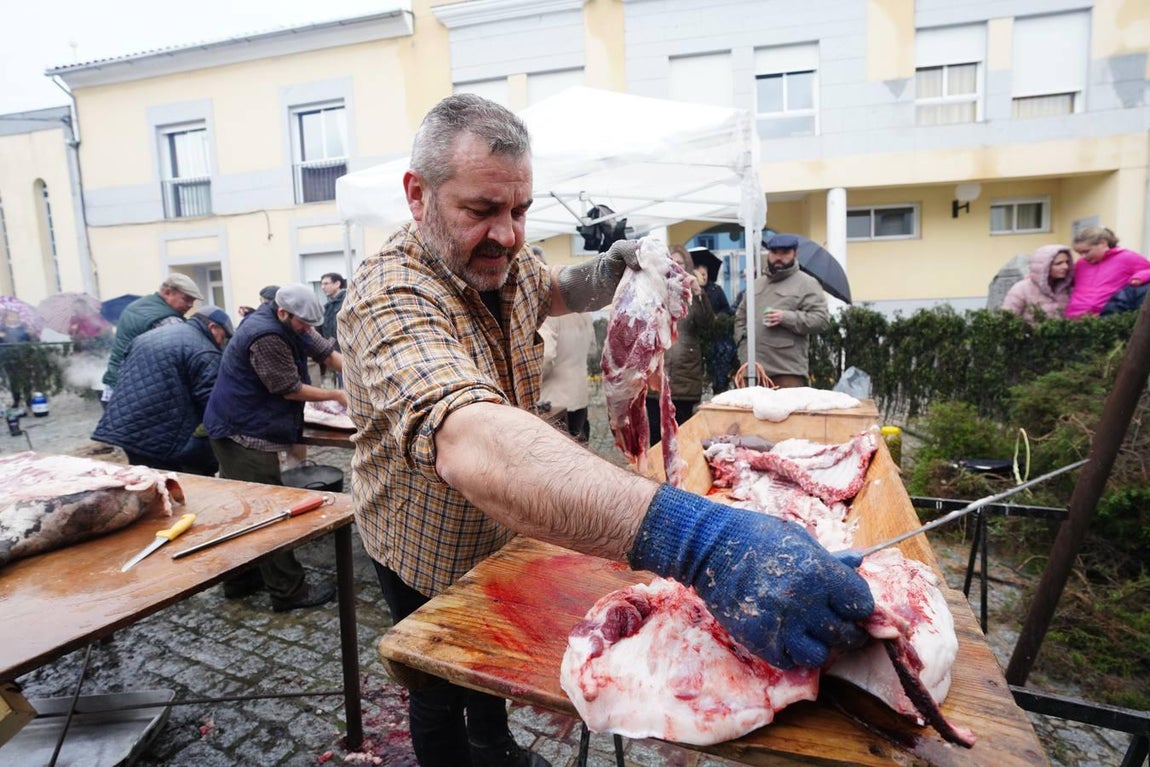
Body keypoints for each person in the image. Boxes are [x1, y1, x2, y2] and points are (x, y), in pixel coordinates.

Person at [339, 94, 873, 767]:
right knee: (438, 680)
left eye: (520, 210)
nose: (507, 234)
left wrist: (609, 273)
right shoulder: (390, 294)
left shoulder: (499, 257)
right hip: (424, 538)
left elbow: (552, 288)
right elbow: (466, 436)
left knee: (487, 660)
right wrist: (697, 539)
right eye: (481, 210)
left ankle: (495, 746)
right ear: (417, 195)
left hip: (499, 529)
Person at [203, 284, 346, 612]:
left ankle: (243, 578)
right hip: (241, 432)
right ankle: (288, 591)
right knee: (267, 513)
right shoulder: (265, 334)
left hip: (248, 423)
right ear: (283, 312)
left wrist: (358, 378)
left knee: (245, 510)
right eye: (302, 324)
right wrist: (338, 396)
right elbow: (289, 388)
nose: (307, 330)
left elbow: (325, 352)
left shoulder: (294, 322)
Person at [92, 305, 234, 475]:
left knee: (144, 482)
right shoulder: (204, 350)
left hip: (129, 429)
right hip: (163, 437)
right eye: (223, 337)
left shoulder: (148, 336)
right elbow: (211, 402)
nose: (221, 343)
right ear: (212, 327)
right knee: (174, 486)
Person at [733, 234, 829, 388]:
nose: (779, 257)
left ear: (795, 254)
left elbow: (821, 320)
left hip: (787, 372)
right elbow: (740, 317)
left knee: (788, 412)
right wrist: (743, 345)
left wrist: (786, 317)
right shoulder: (757, 284)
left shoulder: (807, 283)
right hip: (752, 371)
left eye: (785, 253)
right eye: (774, 252)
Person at [646, 244, 714, 443]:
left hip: (684, 382)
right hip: (655, 383)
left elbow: (708, 325)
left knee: (682, 441)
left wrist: (699, 293)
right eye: (671, 262)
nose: (675, 266)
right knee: (657, 442)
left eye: (680, 262)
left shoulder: (692, 294)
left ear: (687, 266)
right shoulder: (654, 292)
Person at [101, 274, 202, 405]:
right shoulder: (167, 319)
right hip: (134, 391)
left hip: (116, 382)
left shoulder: (140, 305)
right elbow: (185, 355)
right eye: (186, 299)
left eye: (193, 301)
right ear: (167, 292)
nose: (190, 305)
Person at [1065, 227, 1150, 318]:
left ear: (1103, 243)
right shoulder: (1080, 263)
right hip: (1074, 317)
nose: (1083, 256)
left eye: (1086, 251)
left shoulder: (1127, 258)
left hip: (1106, 318)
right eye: (1079, 253)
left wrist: (1140, 276)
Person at [1001, 245, 1074, 325]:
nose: (1066, 267)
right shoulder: (1021, 289)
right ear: (1044, 267)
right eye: (1058, 263)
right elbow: (1007, 321)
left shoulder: (1068, 288)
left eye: (1067, 262)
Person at [0, 309, 37, 410]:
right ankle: (16, 399)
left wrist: (31, 334)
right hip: (8, 357)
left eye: (16, 316)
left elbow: (30, 340)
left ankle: (28, 399)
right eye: (11, 316)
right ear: (6, 318)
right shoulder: (2, 328)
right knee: (13, 380)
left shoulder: (24, 327)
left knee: (26, 379)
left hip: (23, 356)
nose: (14, 318)